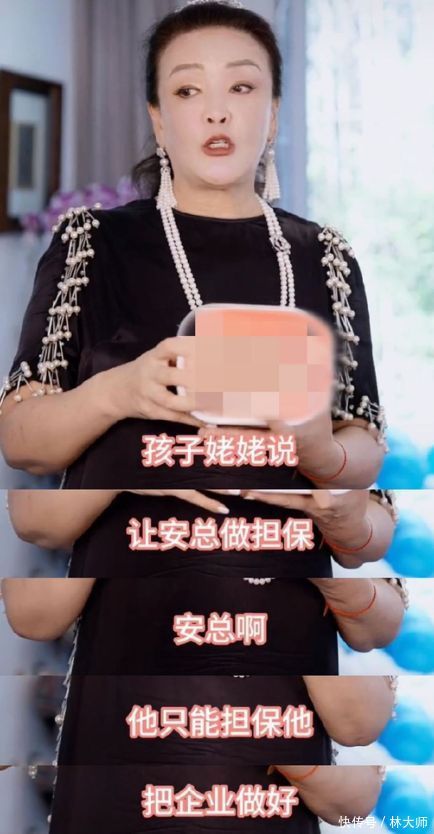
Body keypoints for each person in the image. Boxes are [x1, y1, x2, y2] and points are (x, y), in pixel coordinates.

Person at [0, 0, 386, 495]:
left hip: (282, 540)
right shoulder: (91, 243)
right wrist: (120, 391)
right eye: (187, 90)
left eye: (241, 87)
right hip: (136, 541)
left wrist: (323, 453)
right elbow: (20, 440)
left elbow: (365, 443)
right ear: (158, 120)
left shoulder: (326, 257)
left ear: (273, 115)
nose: (216, 111)